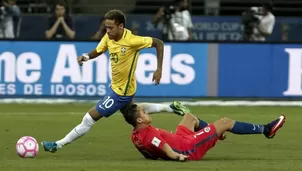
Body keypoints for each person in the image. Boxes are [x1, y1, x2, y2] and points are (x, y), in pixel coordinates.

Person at [41, 9, 188, 153]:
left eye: (111, 28)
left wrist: (159, 70)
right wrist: (86, 57)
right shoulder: (109, 37)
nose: (108, 31)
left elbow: (159, 43)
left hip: (120, 93)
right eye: (106, 27)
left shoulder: (132, 40)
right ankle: (171, 107)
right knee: (134, 114)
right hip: (120, 88)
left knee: (88, 119)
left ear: (121, 26)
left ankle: (57, 145)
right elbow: (99, 49)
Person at [124, 104, 286, 161]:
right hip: (188, 147)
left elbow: (148, 151)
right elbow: (165, 148)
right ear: (139, 120)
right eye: (144, 113)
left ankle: (215, 133)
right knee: (225, 122)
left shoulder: (135, 135)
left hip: (179, 139)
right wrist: (177, 156)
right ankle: (266, 130)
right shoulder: (150, 136)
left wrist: (165, 144)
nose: (147, 113)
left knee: (189, 117)